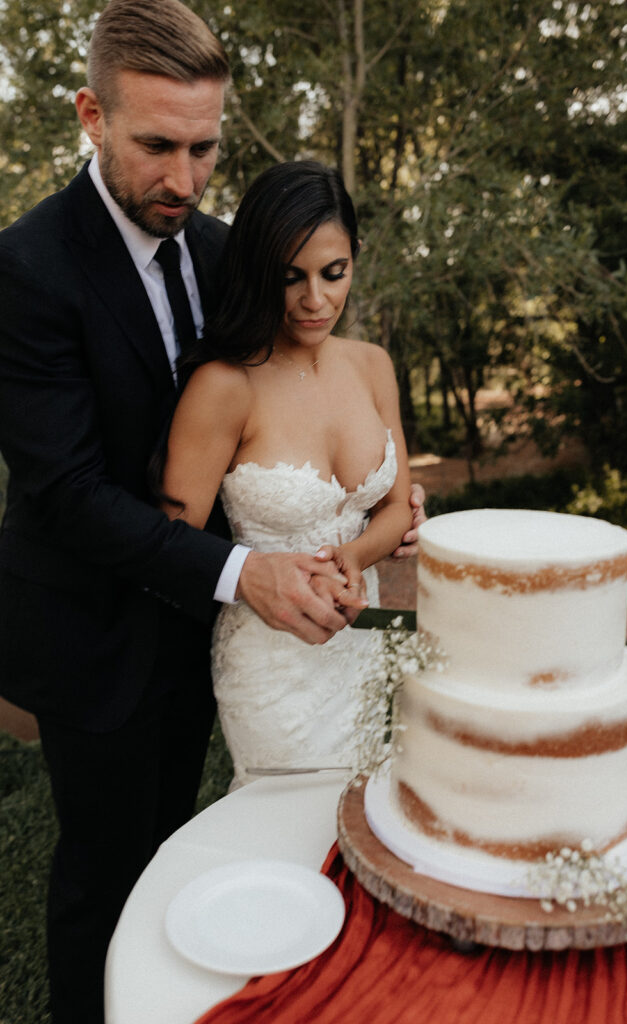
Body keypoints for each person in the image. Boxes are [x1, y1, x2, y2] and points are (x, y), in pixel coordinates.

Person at [0, 2, 426, 1021]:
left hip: (206, 633)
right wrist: (247, 573)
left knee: (186, 848)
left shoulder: (226, 250)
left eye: (204, 147)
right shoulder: (26, 269)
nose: (184, 180)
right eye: (156, 145)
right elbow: (64, 495)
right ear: (90, 116)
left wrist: (371, 497)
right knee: (102, 875)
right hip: (91, 630)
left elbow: (281, 395)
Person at [162, 160, 413, 786]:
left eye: (334, 273)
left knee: (365, 820)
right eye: (290, 277)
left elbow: (397, 506)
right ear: (258, 272)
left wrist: (354, 557)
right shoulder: (223, 386)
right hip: (270, 663)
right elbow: (170, 544)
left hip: (362, 641)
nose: (315, 299)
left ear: (354, 256)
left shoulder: (372, 365)